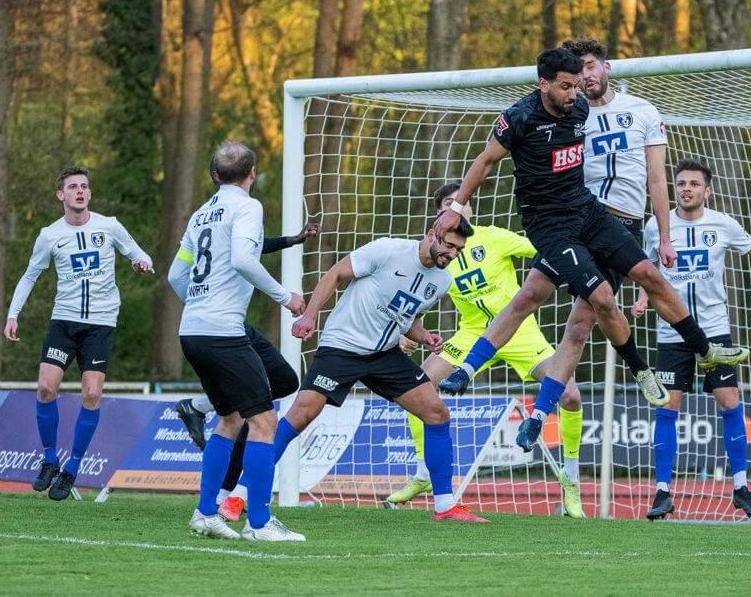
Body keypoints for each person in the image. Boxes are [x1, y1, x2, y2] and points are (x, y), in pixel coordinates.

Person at [433, 48, 749, 454]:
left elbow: (652, 174)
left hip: (595, 214)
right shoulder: (520, 117)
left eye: (580, 81)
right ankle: (474, 374)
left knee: (648, 278)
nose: (574, 91)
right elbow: (485, 161)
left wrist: (664, 235)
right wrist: (457, 208)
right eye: (566, 84)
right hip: (551, 225)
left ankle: (702, 350)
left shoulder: (590, 110)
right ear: (543, 84)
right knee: (567, 301)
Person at [387, 183, 586, 518]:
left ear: (470, 210)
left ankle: (571, 478)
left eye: (460, 204)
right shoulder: (438, 253)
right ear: (440, 216)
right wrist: (409, 331)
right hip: (472, 335)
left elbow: (541, 250)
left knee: (570, 396)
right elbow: (419, 293)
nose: (455, 209)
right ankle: (423, 472)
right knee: (416, 385)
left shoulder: (494, 237)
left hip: (519, 332)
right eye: (448, 205)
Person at [278, 216, 487, 522]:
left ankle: (445, 505)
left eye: (459, 249)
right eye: (449, 245)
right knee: (301, 415)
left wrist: (425, 336)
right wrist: (310, 316)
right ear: (432, 233)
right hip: (343, 346)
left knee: (436, 412)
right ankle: (239, 495)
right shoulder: (388, 250)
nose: (453, 254)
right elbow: (336, 273)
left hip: (384, 354)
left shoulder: (443, 281)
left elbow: (409, 317)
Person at [522, 36, 676, 444]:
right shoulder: (567, 110)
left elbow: (657, 179)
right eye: (577, 70)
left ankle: (540, 414)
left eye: (590, 66)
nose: (585, 75)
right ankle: (488, 378)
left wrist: (663, 236)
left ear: (606, 68)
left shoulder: (641, 110)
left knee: (581, 323)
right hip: (572, 221)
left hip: (618, 227)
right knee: (532, 291)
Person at [168, 141, 306, 542]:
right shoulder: (248, 207)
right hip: (221, 329)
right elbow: (245, 260)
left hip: (193, 328)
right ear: (252, 174)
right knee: (264, 421)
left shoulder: (200, 214)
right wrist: (287, 298)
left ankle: (206, 513)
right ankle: (260, 524)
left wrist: (201, 303)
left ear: (214, 176)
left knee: (230, 419)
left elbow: (176, 276)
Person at [634, 159, 751, 520]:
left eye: (694, 184)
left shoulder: (723, 224)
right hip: (672, 332)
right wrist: (641, 297)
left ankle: (741, 488)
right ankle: (663, 493)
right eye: (681, 183)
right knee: (667, 408)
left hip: (715, 331)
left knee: (730, 403)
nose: (686, 188)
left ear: (706, 191)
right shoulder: (657, 226)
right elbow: (645, 269)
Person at [4, 165, 154, 501]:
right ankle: (49, 459)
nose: (80, 191)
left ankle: (72, 467)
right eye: (73, 187)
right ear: (61, 195)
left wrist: (141, 262)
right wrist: (13, 315)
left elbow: (140, 253)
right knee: (45, 387)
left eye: (84, 186)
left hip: (101, 324)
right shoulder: (49, 235)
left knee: (91, 394)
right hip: (64, 322)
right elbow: (30, 276)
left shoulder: (109, 226)